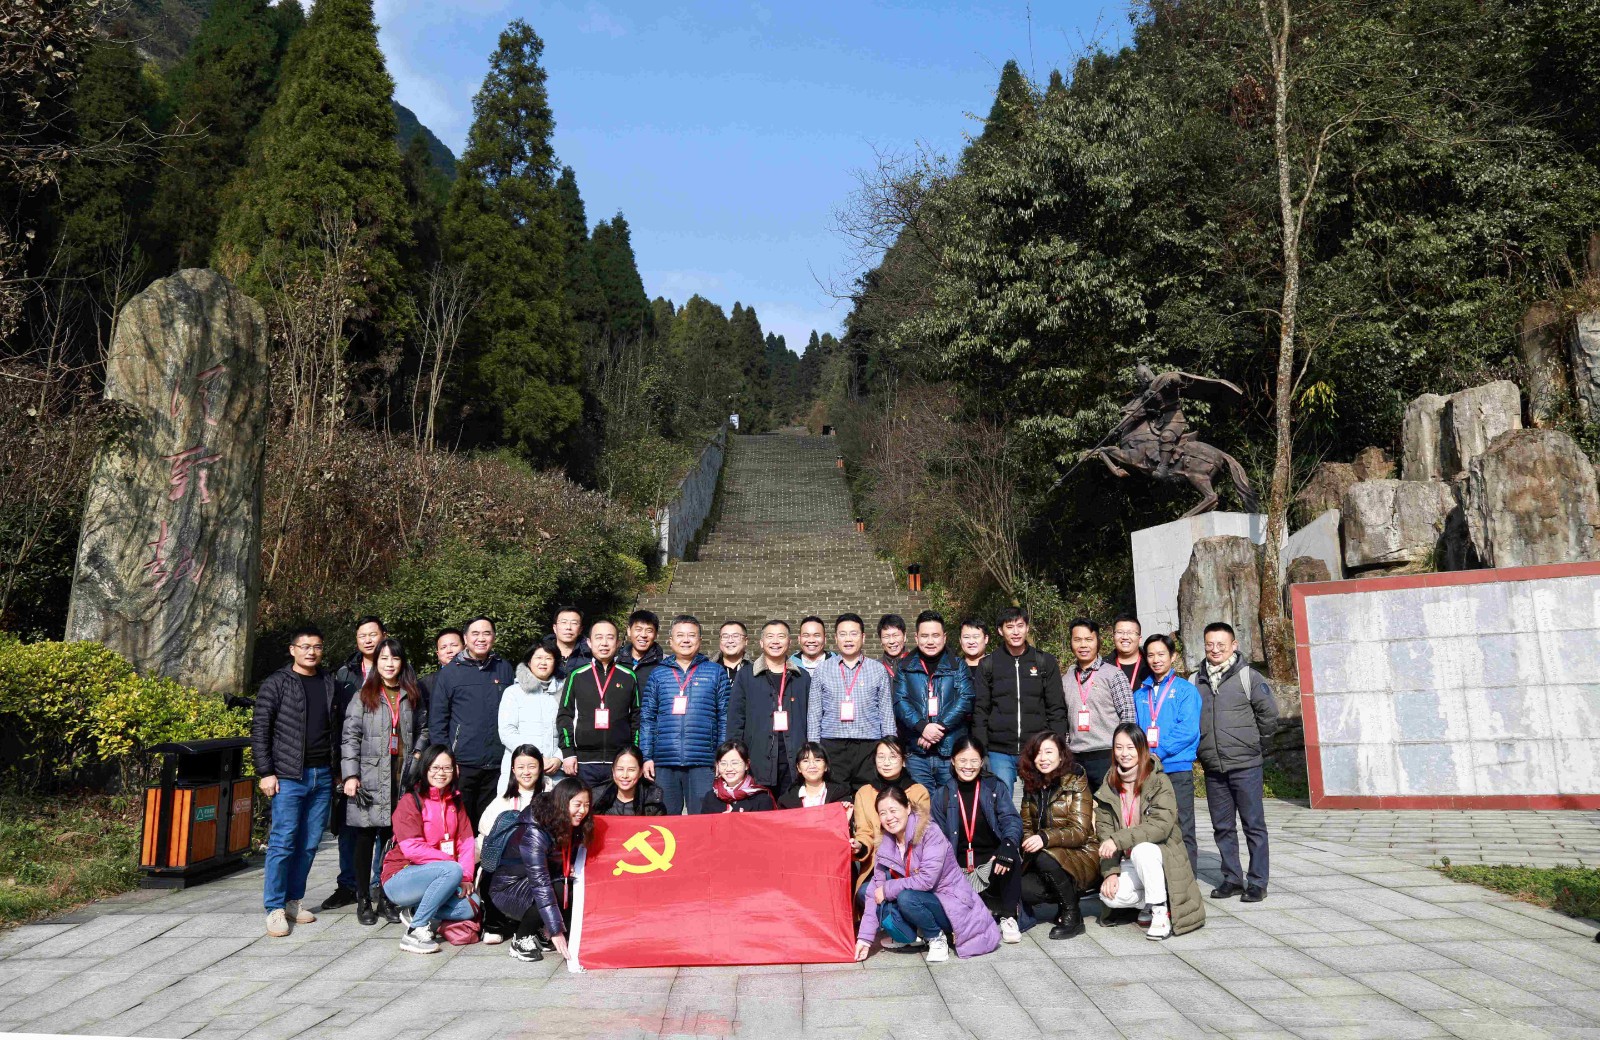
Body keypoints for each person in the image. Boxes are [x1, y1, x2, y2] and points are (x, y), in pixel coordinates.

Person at [253, 626, 339, 937]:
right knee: (283, 841)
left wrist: (337, 769)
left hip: (322, 774)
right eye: (305, 646)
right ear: (293, 650)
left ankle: (293, 901)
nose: (311, 652)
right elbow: (260, 729)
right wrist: (266, 771)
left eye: (317, 646)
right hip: (289, 776)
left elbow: (335, 729)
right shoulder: (276, 683)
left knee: (309, 843)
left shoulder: (329, 681)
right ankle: (274, 908)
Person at [854, 785, 1001, 963]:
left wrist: (888, 888)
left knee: (906, 898)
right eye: (882, 813)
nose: (889, 818)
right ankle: (914, 936)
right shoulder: (885, 844)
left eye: (893, 810)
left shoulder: (930, 832)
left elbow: (926, 880)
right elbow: (874, 891)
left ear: (907, 808)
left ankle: (936, 936)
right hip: (918, 899)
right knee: (867, 891)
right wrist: (864, 940)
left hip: (948, 902)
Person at [340, 637, 425, 926]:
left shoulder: (411, 694)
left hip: (402, 776)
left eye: (395, 658)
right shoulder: (363, 695)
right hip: (370, 777)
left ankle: (388, 897)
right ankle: (364, 898)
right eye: (384, 658)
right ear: (376, 662)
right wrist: (351, 775)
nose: (390, 664)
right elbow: (350, 737)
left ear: (402, 662)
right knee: (365, 840)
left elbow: (424, 729)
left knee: (392, 840)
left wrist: (416, 755)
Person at [1093, 724, 1206, 939]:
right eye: (1119, 747)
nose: (1124, 753)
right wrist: (1111, 873)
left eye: (1130, 747)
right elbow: (1105, 832)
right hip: (1128, 860)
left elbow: (1160, 826)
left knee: (1142, 850)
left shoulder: (1159, 781)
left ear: (1142, 749)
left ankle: (1160, 910)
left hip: (1161, 854)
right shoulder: (1109, 785)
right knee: (1110, 897)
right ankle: (1149, 901)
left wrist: (1118, 840)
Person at [1195, 622, 1279, 902]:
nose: (1215, 649)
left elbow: (1269, 715)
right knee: (1222, 827)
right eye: (1210, 644)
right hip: (1213, 767)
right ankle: (1231, 878)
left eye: (1221, 644)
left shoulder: (1248, 677)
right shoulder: (1196, 680)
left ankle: (1257, 881)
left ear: (1234, 645)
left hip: (1246, 766)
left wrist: (1255, 745)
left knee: (1253, 825)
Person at [380, 745, 478, 955]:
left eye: (447, 768)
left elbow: (467, 842)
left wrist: (466, 877)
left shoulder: (456, 801)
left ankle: (416, 911)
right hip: (401, 876)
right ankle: (415, 932)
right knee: (451, 870)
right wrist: (453, 866)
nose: (441, 773)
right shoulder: (410, 801)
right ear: (424, 769)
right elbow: (412, 848)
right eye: (435, 767)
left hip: (444, 874)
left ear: (455, 770)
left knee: (471, 906)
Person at [929, 737, 1022, 944]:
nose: (968, 766)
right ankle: (982, 907)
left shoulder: (994, 787)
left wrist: (1008, 845)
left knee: (1011, 855)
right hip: (958, 866)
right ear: (953, 761)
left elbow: (1011, 819)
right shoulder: (942, 795)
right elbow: (936, 837)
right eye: (963, 760)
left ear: (981, 762)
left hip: (991, 861)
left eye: (974, 761)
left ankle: (1009, 916)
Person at [322, 615, 386, 913]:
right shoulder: (345, 674)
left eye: (373, 634)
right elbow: (336, 722)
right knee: (350, 826)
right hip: (352, 762)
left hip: (387, 762)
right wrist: (340, 767)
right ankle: (348, 884)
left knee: (385, 827)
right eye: (363, 636)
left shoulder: (398, 667)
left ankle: (380, 884)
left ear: (384, 635)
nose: (369, 640)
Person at [491, 777, 593, 962]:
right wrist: (556, 930)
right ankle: (521, 938)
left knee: (569, 885)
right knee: (556, 889)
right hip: (509, 888)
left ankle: (540, 931)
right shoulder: (534, 831)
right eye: (577, 805)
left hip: (540, 879)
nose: (583, 811)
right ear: (562, 803)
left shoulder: (571, 822)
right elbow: (540, 884)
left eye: (586, 805)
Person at [429, 616, 517, 823]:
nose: (481, 638)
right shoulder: (450, 673)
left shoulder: (504, 668)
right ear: (465, 638)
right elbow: (438, 721)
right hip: (462, 763)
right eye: (475, 634)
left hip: (498, 763)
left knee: (490, 824)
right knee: (460, 822)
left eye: (487, 633)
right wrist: (447, 760)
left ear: (494, 637)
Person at [639, 615, 730, 814]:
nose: (686, 640)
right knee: (665, 820)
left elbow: (724, 717)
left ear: (700, 640)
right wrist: (646, 756)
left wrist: (721, 756)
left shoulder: (716, 672)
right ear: (670, 641)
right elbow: (647, 718)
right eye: (680, 635)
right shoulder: (658, 674)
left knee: (703, 818)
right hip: (664, 761)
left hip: (703, 761)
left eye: (691, 635)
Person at [971, 607, 1065, 794]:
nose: (1016, 632)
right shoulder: (988, 664)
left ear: (1027, 628)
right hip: (999, 751)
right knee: (1001, 802)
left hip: (1037, 748)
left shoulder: (1044, 662)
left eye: (1020, 626)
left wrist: (1057, 745)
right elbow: (980, 711)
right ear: (1000, 630)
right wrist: (982, 751)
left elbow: (1056, 708)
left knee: (1040, 801)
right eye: (1010, 627)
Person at [1017, 731, 1098, 939]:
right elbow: (1026, 825)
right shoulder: (1031, 784)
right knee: (1023, 888)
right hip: (1046, 855)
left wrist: (1044, 838)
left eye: (1048, 752)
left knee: (1045, 857)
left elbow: (1080, 832)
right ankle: (1066, 896)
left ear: (1061, 756)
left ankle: (1073, 914)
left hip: (1082, 852)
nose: (1042, 758)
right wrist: (1027, 841)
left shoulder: (1076, 781)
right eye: (1038, 753)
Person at [1135, 633, 1201, 872]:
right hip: (1148, 771)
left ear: (1173, 656)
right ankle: (1158, 877)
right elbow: (1135, 730)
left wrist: (1159, 753)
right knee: (1152, 824)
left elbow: (1188, 729)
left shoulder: (1185, 690)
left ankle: (1187, 879)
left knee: (1182, 824)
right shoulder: (1140, 694)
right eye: (1151, 655)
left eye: (1161, 654)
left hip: (1176, 768)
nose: (1156, 660)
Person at [808, 613, 896, 787]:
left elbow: (886, 713)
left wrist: (891, 748)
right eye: (843, 634)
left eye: (853, 634)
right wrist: (813, 748)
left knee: (868, 795)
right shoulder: (822, 670)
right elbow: (814, 713)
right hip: (832, 744)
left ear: (863, 637)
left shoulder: (877, 669)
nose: (848, 639)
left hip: (869, 745)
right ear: (835, 638)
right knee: (836, 795)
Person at [893, 610, 974, 791]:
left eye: (935, 636)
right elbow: (900, 701)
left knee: (951, 802)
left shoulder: (958, 665)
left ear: (944, 637)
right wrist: (922, 727)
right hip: (917, 751)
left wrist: (938, 728)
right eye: (925, 636)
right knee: (920, 804)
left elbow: (966, 699)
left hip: (950, 750)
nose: (930, 641)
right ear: (916, 638)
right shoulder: (905, 666)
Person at [728, 619, 810, 794]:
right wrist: (734, 756)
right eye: (770, 636)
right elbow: (736, 720)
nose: (775, 641)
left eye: (781, 636)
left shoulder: (802, 677)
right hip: (757, 761)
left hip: (794, 761)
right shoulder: (746, 676)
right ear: (761, 642)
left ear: (789, 642)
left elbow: (811, 719)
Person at [556, 619, 640, 787]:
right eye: (599, 637)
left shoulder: (628, 676)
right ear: (589, 642)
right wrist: (568, 752)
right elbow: (565, 715)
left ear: (618, 643)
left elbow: (636, 718)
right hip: (583, 762)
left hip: (620, 762)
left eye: (610, 637)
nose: (604, 643)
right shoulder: (577, 675)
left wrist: (635, 754)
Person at [476, 745, 547, 943]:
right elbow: (484, 838)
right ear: (513, 770)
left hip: (540, 863)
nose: (526, 772)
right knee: (489, 871)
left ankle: (536, 926)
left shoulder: (551, 796)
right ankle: (494, 924)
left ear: (540, 768)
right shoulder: (502, 801)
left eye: (531, 766)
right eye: (521, 767)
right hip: (508, 866)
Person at [1064, 617, 1137, 790]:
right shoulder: (1066, 679)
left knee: (1110, 805)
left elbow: (1128, 716)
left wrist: (1123, 752)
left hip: (1107, 755)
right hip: (1075, 758)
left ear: (1098, 641)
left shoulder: (1114, 675)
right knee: (1079, 807)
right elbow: (1064, 719)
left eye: (1088, 639)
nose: (1083, 645)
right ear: (1071, 643)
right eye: (1077, 640)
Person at [851, 738, 931, 887]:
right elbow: (864, 832)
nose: (886, 762)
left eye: (893, 757)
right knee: (864, 892)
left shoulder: (918, 792)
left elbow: (920, 832)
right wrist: (860, 846)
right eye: (881, 757)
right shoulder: (864, 793)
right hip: (877, 864)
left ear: (904, 761)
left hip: (909, 864)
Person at [498, 639, 564, 790]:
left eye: (548, 658)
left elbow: (572, 728)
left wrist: (559, 757)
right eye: (538, 658)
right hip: (521, 769)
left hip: (554, 771)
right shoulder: (513, 692)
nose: (543, 663)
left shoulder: (564, 691)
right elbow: (507, 731)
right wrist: (535, 757)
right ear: (529, 662)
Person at [701, 740, 777, 813]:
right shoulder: (710, 798)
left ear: (747, 764)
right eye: (723, 763)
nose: (729, 769)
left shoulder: (762, 799)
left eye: (734, 763)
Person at [591, 744, 667, 816]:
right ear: (613, 771)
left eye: (631, 770)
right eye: (620, 769)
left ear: (640, 772)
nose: (625, 775)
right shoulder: (598, 799)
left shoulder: (652, 803)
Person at [777, 742, 854, 808]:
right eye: (806, 761)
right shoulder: (786, 801)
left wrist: (846, 813)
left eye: (817, 760)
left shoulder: (841, 796)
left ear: (826, 766)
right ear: (798, 768)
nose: (812, 766)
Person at [620, 609, 664, 692]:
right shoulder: (616, 662)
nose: (643, 635)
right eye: (638, 629)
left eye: (649, 631)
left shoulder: (664, 663)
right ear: (629, 631)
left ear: (656, 634)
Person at [550, 606, 590, 680]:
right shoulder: (542, 652)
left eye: (574, 623)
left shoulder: (590, 654)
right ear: (554, 628)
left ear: (580, 630)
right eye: (564, 622)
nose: (568, 627)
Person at [1111, 614, 1147, 693]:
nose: (1125, 637)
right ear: (1113, 636)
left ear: (1139, 639)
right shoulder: (1103, 667)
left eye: (1130, 632)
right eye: (1120, 632)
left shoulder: (1151, 665)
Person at [878, 614, 910, 681]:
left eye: (896, 635)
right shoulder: (875, 667)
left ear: (904, 636)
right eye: (886, 637)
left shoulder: (916, 663)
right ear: (880, 640)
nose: (891, 641)